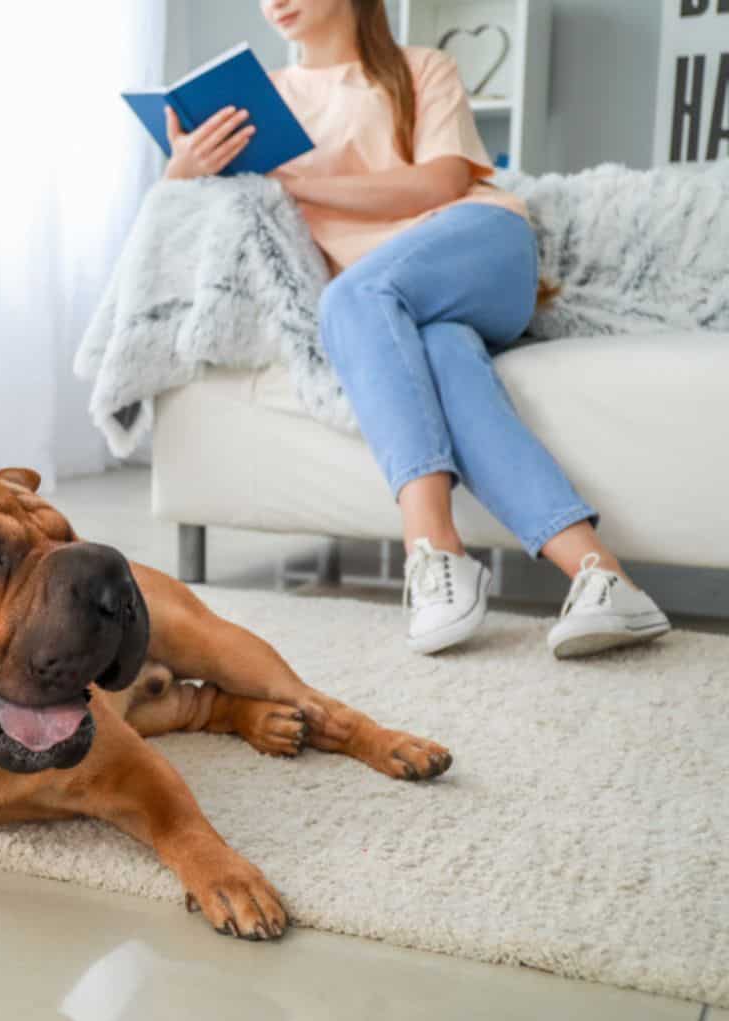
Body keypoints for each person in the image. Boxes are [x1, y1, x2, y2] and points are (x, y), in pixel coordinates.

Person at [159, 0, 670, 659]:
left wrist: (291, 185)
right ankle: (605, 579)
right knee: (442, 354)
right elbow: (190, 233)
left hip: (480, 248)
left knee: (350, 299)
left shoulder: (420, 68)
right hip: (397, 310)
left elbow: (440, 182)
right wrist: (183, 170)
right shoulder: (260, 106)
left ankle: (432, 550)